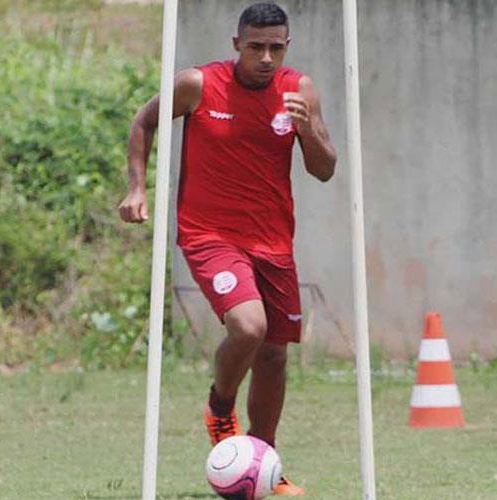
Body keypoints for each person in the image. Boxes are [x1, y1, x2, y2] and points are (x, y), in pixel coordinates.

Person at [119, 3, 335, 495]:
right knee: (249, 326)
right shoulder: (198, 84)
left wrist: (309, 128)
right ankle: (220, 408)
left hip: (274, 241)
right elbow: (144, 120)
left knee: (275, 356)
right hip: (209, 235)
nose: (265, 57)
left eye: (275, 48)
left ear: (287, 47)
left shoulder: (298, 92)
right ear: (236, 44)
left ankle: (264, 467)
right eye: (255, 47)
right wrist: (137, 188)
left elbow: (324, 168)